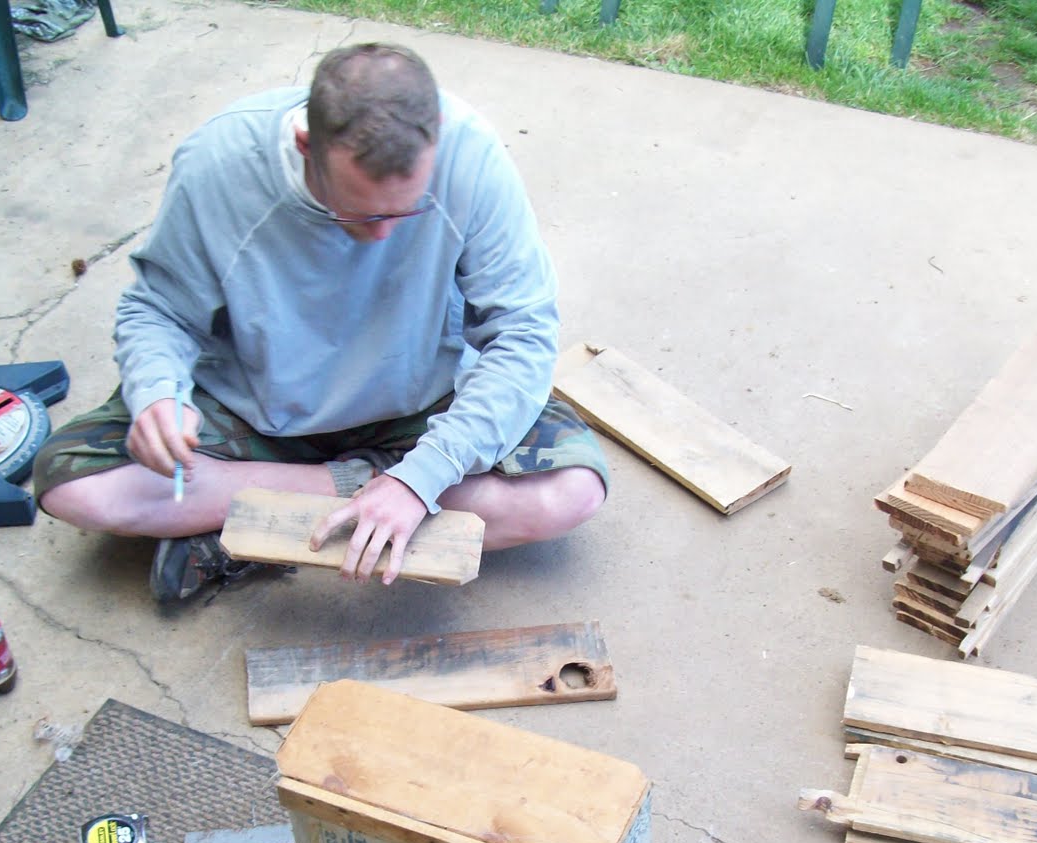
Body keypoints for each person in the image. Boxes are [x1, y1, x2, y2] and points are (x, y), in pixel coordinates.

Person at [33, 42, 609, 603]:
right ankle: (359, 499)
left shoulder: (471, 155)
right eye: (362, 212)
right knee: (74, 487)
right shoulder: (220, 164)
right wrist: (157, 392)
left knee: (572, 491)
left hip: (419, 405)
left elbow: (523, 335)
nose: (385, 235)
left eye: (405, 210)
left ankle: (262, 525)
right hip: (256, 408)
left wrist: (422, 476)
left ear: (436, 132)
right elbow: (158, 308)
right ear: (307, 145)